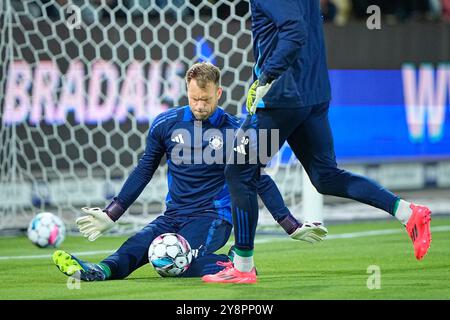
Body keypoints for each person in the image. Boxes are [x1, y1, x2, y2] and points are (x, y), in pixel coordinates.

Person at [202, 0, 432, 284]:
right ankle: (407, 212)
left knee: (239, 170)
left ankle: (243, 266)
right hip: (313, 91)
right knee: (325, 176)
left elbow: (294, 31)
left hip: (283, 95)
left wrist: (267, 76)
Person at [52, 62, 326, 281]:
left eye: (206, 99)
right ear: (187, 91)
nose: (199, 106)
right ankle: (99, 271)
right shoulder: (166, 124)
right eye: (194, 98)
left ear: (218, 93)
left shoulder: (234, 132)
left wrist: (289, 224)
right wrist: (112, 213)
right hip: (174, 214)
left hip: (214, 217)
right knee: (138, 245)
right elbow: (144, 170)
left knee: (180, 262)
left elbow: (259, 181)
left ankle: (237, 260)